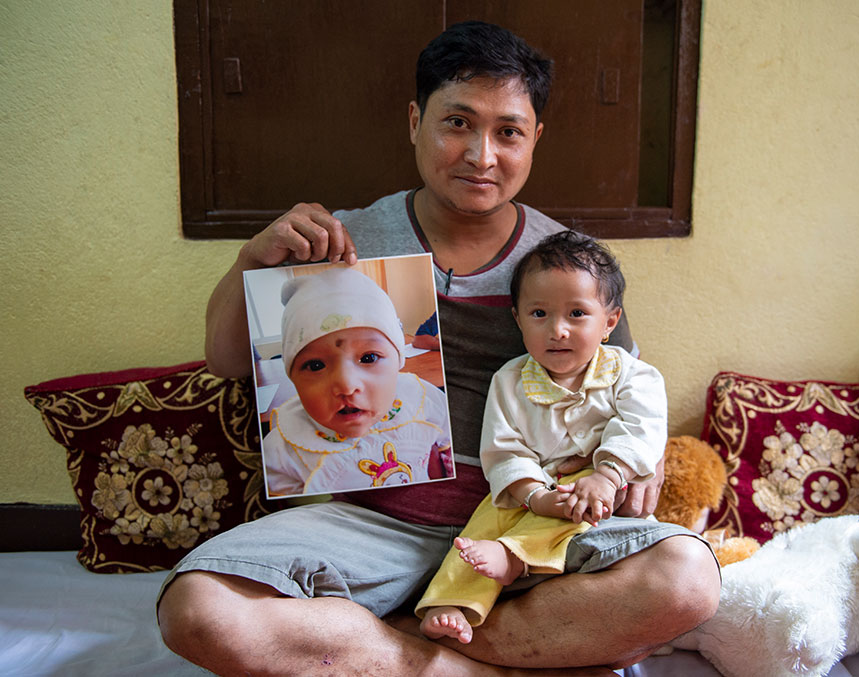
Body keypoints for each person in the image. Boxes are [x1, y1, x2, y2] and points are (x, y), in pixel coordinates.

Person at [158, 20, 719, 676]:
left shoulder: (567, 263)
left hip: (535, 520)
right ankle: (474, 661)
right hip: (376, 526)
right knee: (197, 608)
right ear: (415, 120)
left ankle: (386, 639)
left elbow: (628, 384)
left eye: (507, 130)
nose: (482, 155)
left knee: (687, 580)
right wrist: (253, 258)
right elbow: (226, 361)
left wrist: (635, 460)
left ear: (534, 138)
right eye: (458, 122)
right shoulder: (344, 241)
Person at [417, 231, 682, 644]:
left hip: (601, 487)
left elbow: (641, 427)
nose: (557, 330)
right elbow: (505, 449)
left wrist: (607, 475)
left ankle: (514, 558)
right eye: (539, 314)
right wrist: (535, 494)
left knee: (582, 510)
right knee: (483, 524)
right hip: (532, 489)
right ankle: (450, 604)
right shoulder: (510, 380)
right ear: (518, 319)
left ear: (610, 322)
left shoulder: (633, 375)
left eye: (577, 314)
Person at [262, 266, 452, 496]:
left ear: (397, 361)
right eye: (315, 365)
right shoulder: (282, 453)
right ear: (292, 377)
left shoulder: (424, 399)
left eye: (368, 358)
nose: (347, 385)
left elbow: (447, 452)